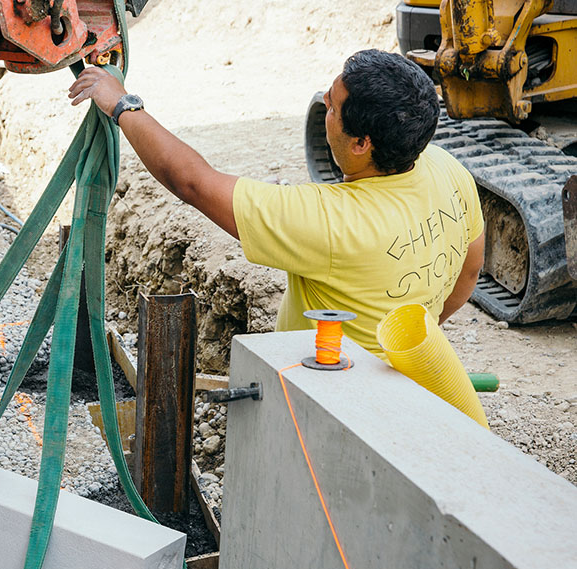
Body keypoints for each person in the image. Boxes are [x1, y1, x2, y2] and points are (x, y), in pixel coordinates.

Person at [68, 49, 485, 354]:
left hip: (326, 401)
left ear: (361, 143)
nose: (324, 104)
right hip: (407, 373)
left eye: (334, 107)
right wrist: (398, 347)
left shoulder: (329, 221)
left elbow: (191, 182)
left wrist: (122, 104)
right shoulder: (447, 170)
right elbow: (468, 275)